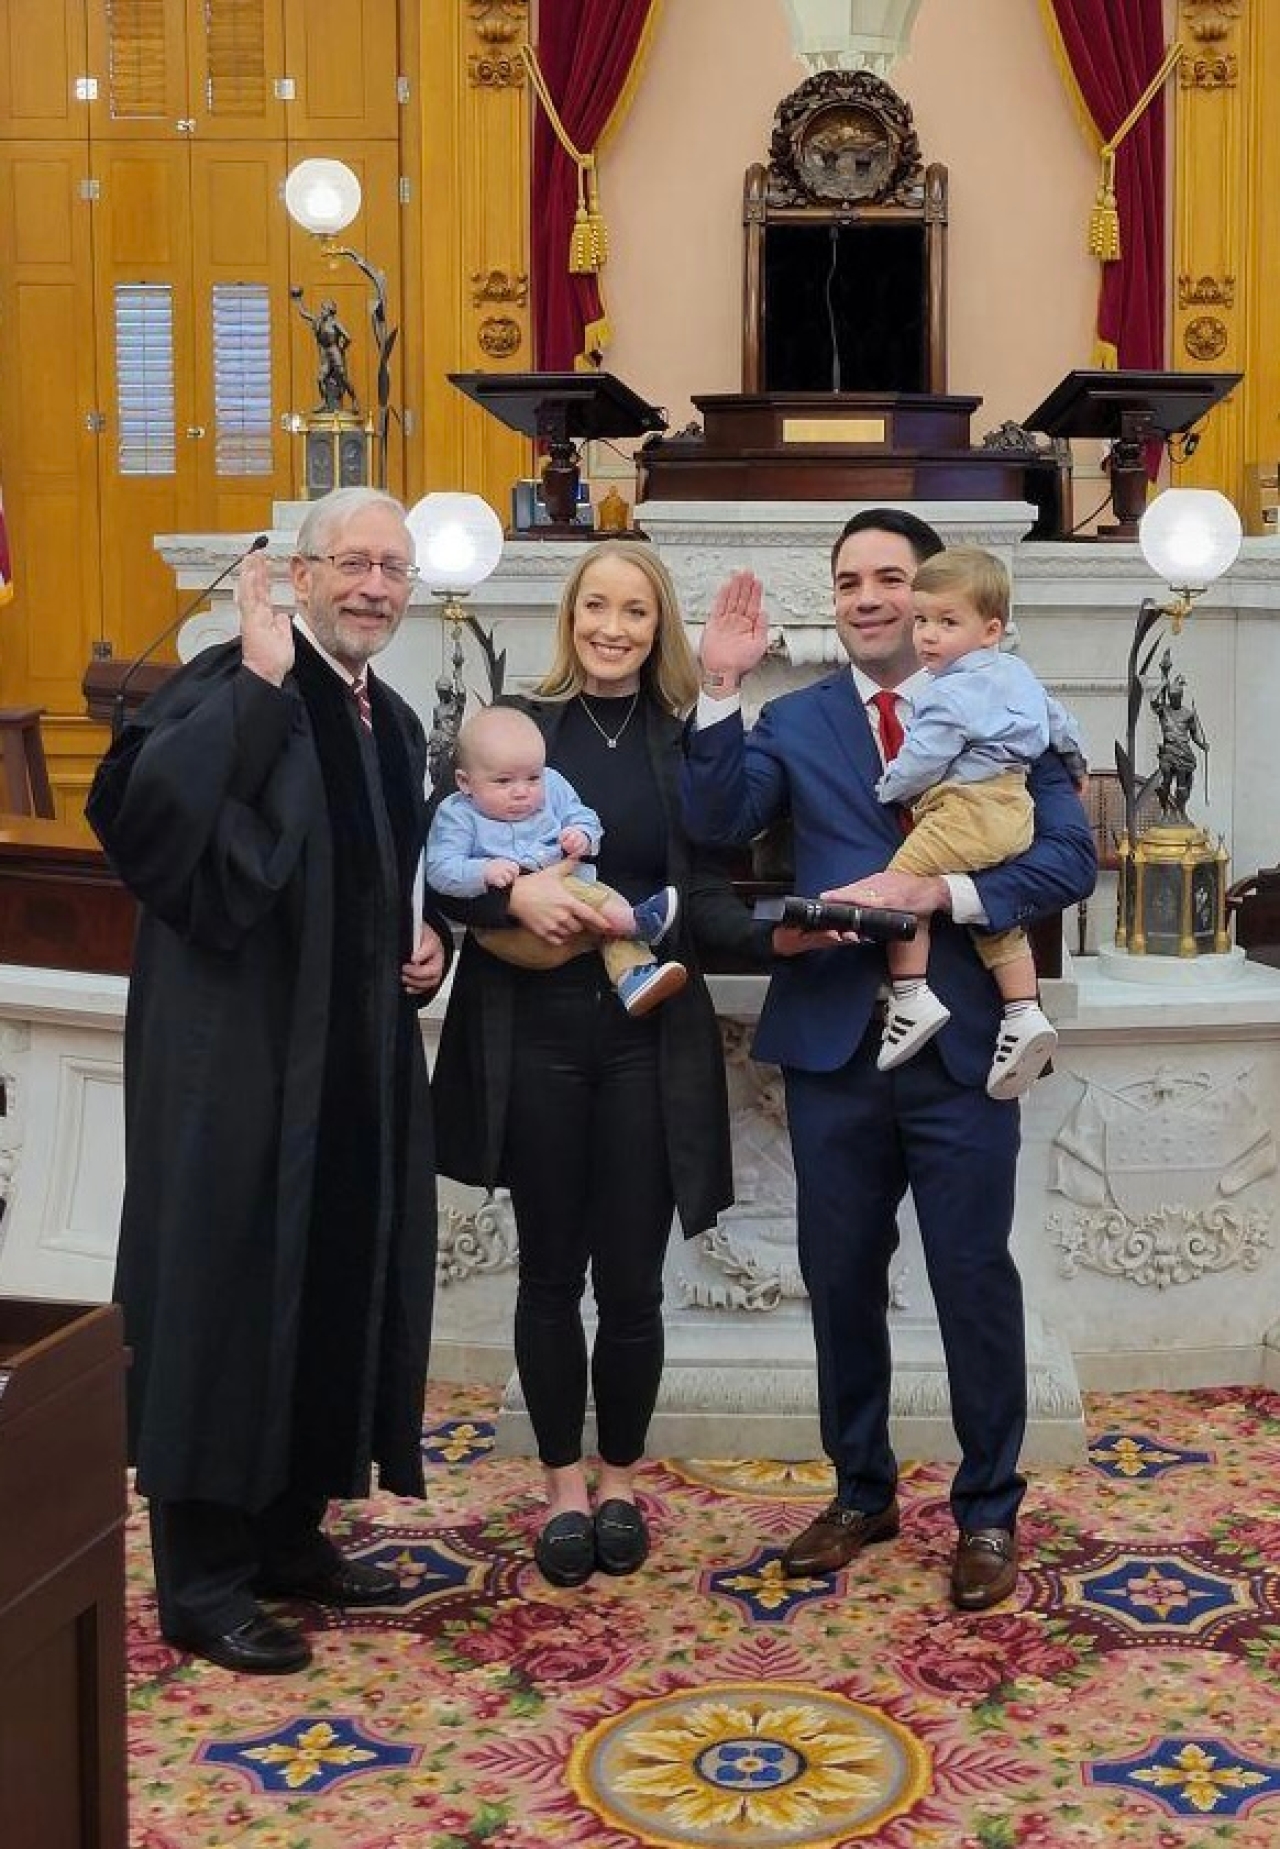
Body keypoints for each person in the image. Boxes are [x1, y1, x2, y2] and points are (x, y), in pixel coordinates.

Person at [682, 508, 1096, 1612]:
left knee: (969, 1276)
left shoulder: (1004, 697)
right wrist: (718, 690)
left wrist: (937, 891)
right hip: (832, 1046)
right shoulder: (796, 718)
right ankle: (859, 1491)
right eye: (850, 581)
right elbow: (717, 816)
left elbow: (1066, 859)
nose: (868, 598)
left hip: (961, 1043)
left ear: (933, 597)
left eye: (891, 578)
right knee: (839, 1281)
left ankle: (987, 1512)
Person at [86, 487, 452, 1674]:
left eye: (391, 570)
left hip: (349, 1063)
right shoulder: (224, 680)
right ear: (296, 574)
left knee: (335, 1278)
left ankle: (291, 1534)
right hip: (234, 1064)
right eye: (351, 563)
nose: (373, 588)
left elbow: (380, 871)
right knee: (219, 1290)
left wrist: (423, 939)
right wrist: (248, 680)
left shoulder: (388, 719)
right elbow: (146, 828)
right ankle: (199, 1581)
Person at [429, 540, 774, 1589]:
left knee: (630, 1284)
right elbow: (440, 861)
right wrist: (506, 900)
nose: (611, 626)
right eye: (594, 606)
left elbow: (710, 888)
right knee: (547, 1272)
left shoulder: (686, 737)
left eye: (632, 608)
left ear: (657, 622)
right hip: (531, 1030)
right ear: (569, 615)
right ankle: (562, 1487)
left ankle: (619, 1478)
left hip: (645, 1034)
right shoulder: (518, 724)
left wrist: (796, 938)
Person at [872, 546, 1088, 1099]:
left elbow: (922, 758)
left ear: (991, 630)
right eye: (921, 620)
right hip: (1014, 809)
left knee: (899, 893)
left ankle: (911, 996)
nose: (928, 635)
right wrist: (1075, 764)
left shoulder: (948, 693)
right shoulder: (1018, 674)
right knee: (995, 921)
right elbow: (1060, 722)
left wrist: (889, 787)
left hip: (966, 810)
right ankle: (1022, 1013)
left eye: (947, 623)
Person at [426, 703, 687, 1015]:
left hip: (571, 920)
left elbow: (584, 816)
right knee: (585, 893)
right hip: (510, 935)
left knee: (599, 914)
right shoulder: (457, 815)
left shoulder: (552, 785)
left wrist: (582, 834)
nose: (522, 792)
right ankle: (633, 922)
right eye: (503, 782)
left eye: (532, 777)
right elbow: (439, 870)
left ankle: (633, 978)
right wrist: (483, 871)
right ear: (465, 782)